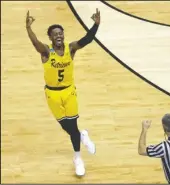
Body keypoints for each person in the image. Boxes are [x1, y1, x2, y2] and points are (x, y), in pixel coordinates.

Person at [25, 9, 101, 177]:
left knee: (72, 126)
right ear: (50, 38)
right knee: (68, 127)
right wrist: (29, 29)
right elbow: (35, 43)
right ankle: (83, 134)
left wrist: (95, 25)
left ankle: (77, 158)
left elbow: (86, 40)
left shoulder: (70, 48)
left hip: (68, 91)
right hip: (52, 94)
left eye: (61, 33)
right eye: (55, 34)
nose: (59, 36)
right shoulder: (46, 51)